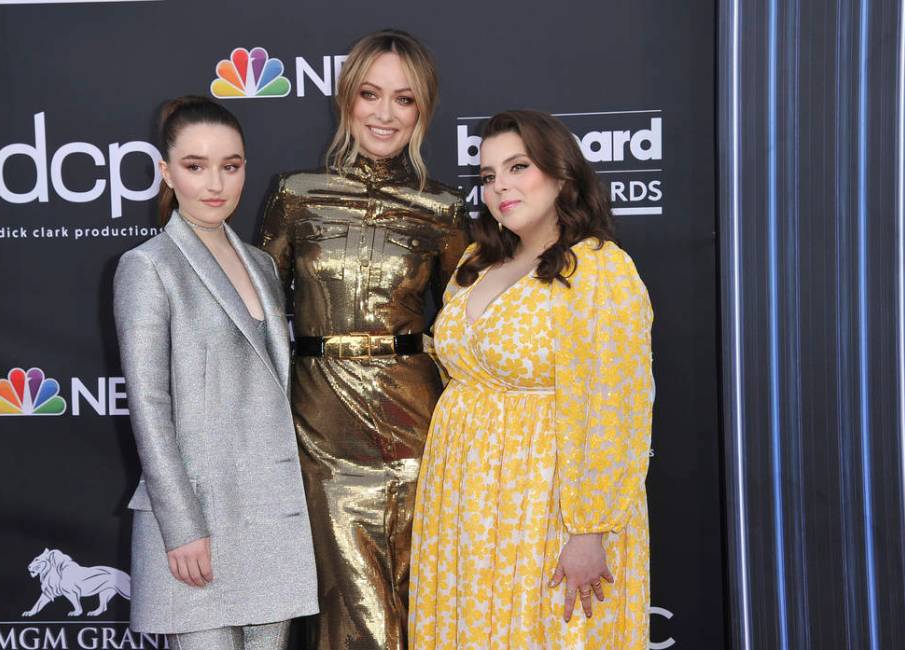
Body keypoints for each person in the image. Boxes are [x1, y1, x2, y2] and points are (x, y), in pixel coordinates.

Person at [409, 110, 654, 649]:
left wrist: (589, 529)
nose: (500, 187)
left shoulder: (599, 270)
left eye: (518, 167)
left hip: (546, 501)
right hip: (465, 498)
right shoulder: (476, 260)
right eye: (489, 176)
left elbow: (616, 409)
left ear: (561, 173)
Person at [258, 29, 468, 650]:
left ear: (423, 109)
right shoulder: (295, 196)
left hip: (422, 429)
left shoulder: (443, 211)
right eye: (370, 94)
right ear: (346, 99)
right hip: (322, 427)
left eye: (403, 100)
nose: (384, 113)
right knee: (348, 604)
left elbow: (468, 325)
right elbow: (257, 320)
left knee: (421, 597)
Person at [114, 95, 317, 650]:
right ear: (166, 172)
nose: (215, 183)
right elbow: (150, 409)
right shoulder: (148, 267)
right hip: (198, 522)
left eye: (231, 166)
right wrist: (181, 527)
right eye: (195, 166)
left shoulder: (262, 264)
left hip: (271, 519)